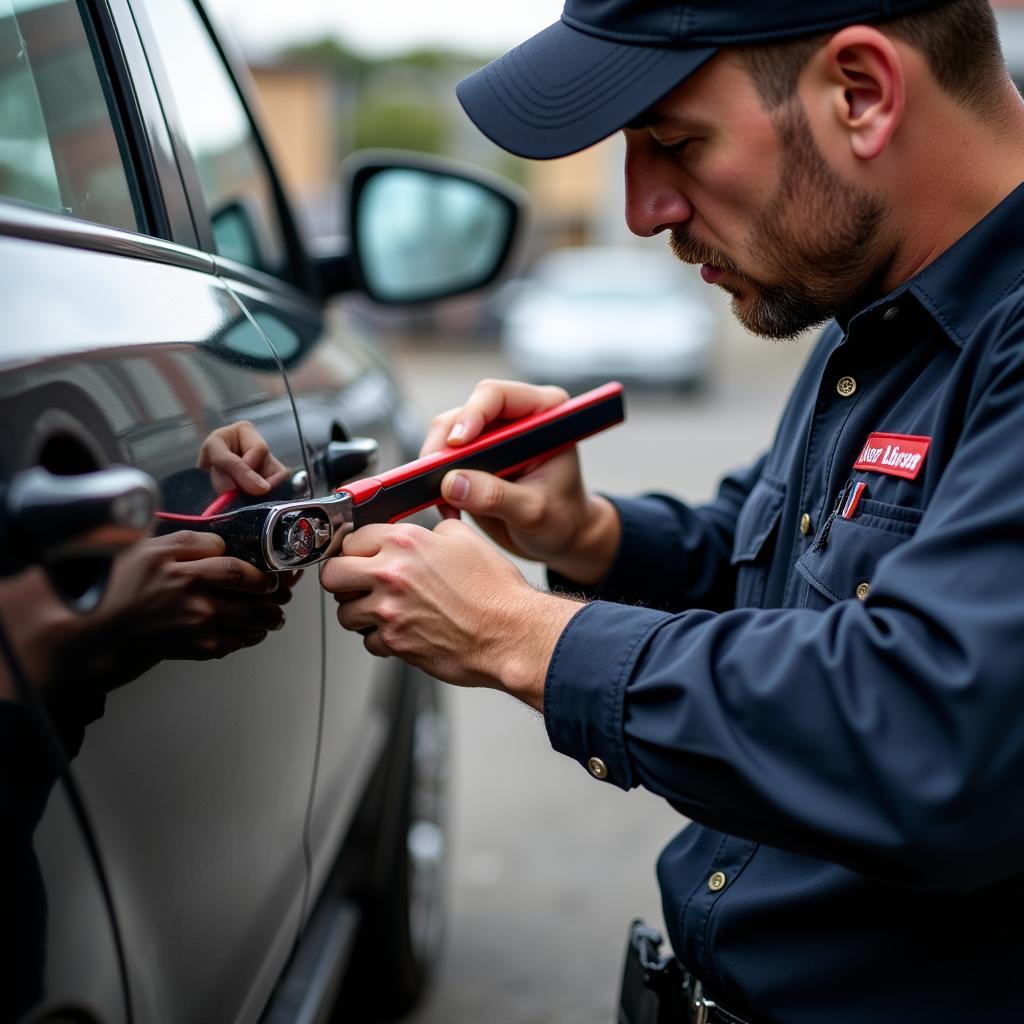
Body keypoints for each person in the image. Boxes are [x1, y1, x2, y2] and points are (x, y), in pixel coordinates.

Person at [319, 0, 1024, 1019]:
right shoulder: (874, 309)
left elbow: (936, 737)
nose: (643, 206)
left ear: (860, 94)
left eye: (673, 142)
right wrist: (586, 535)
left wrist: (524, 636)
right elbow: (781, 583)